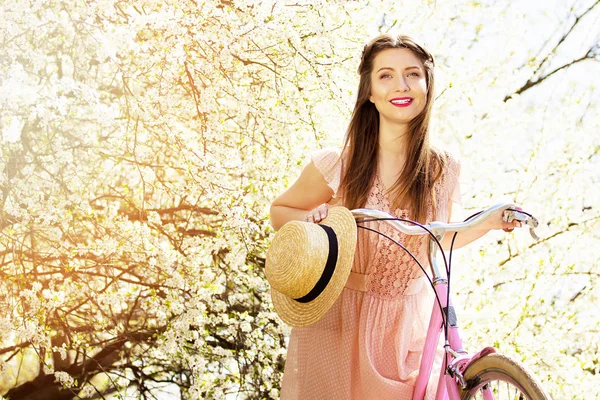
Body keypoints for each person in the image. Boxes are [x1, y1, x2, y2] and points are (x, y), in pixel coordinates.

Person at [269, 34, 522, 400]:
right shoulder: (339, 162)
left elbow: (438, 238)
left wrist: (489, 221)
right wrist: (313, 220)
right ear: (369, 91)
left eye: (412, 74)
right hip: (339, 323)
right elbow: (281, 210)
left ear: (427, 84)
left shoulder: (443, 168)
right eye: (386, 76)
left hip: (407, 326)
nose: (401, 86)